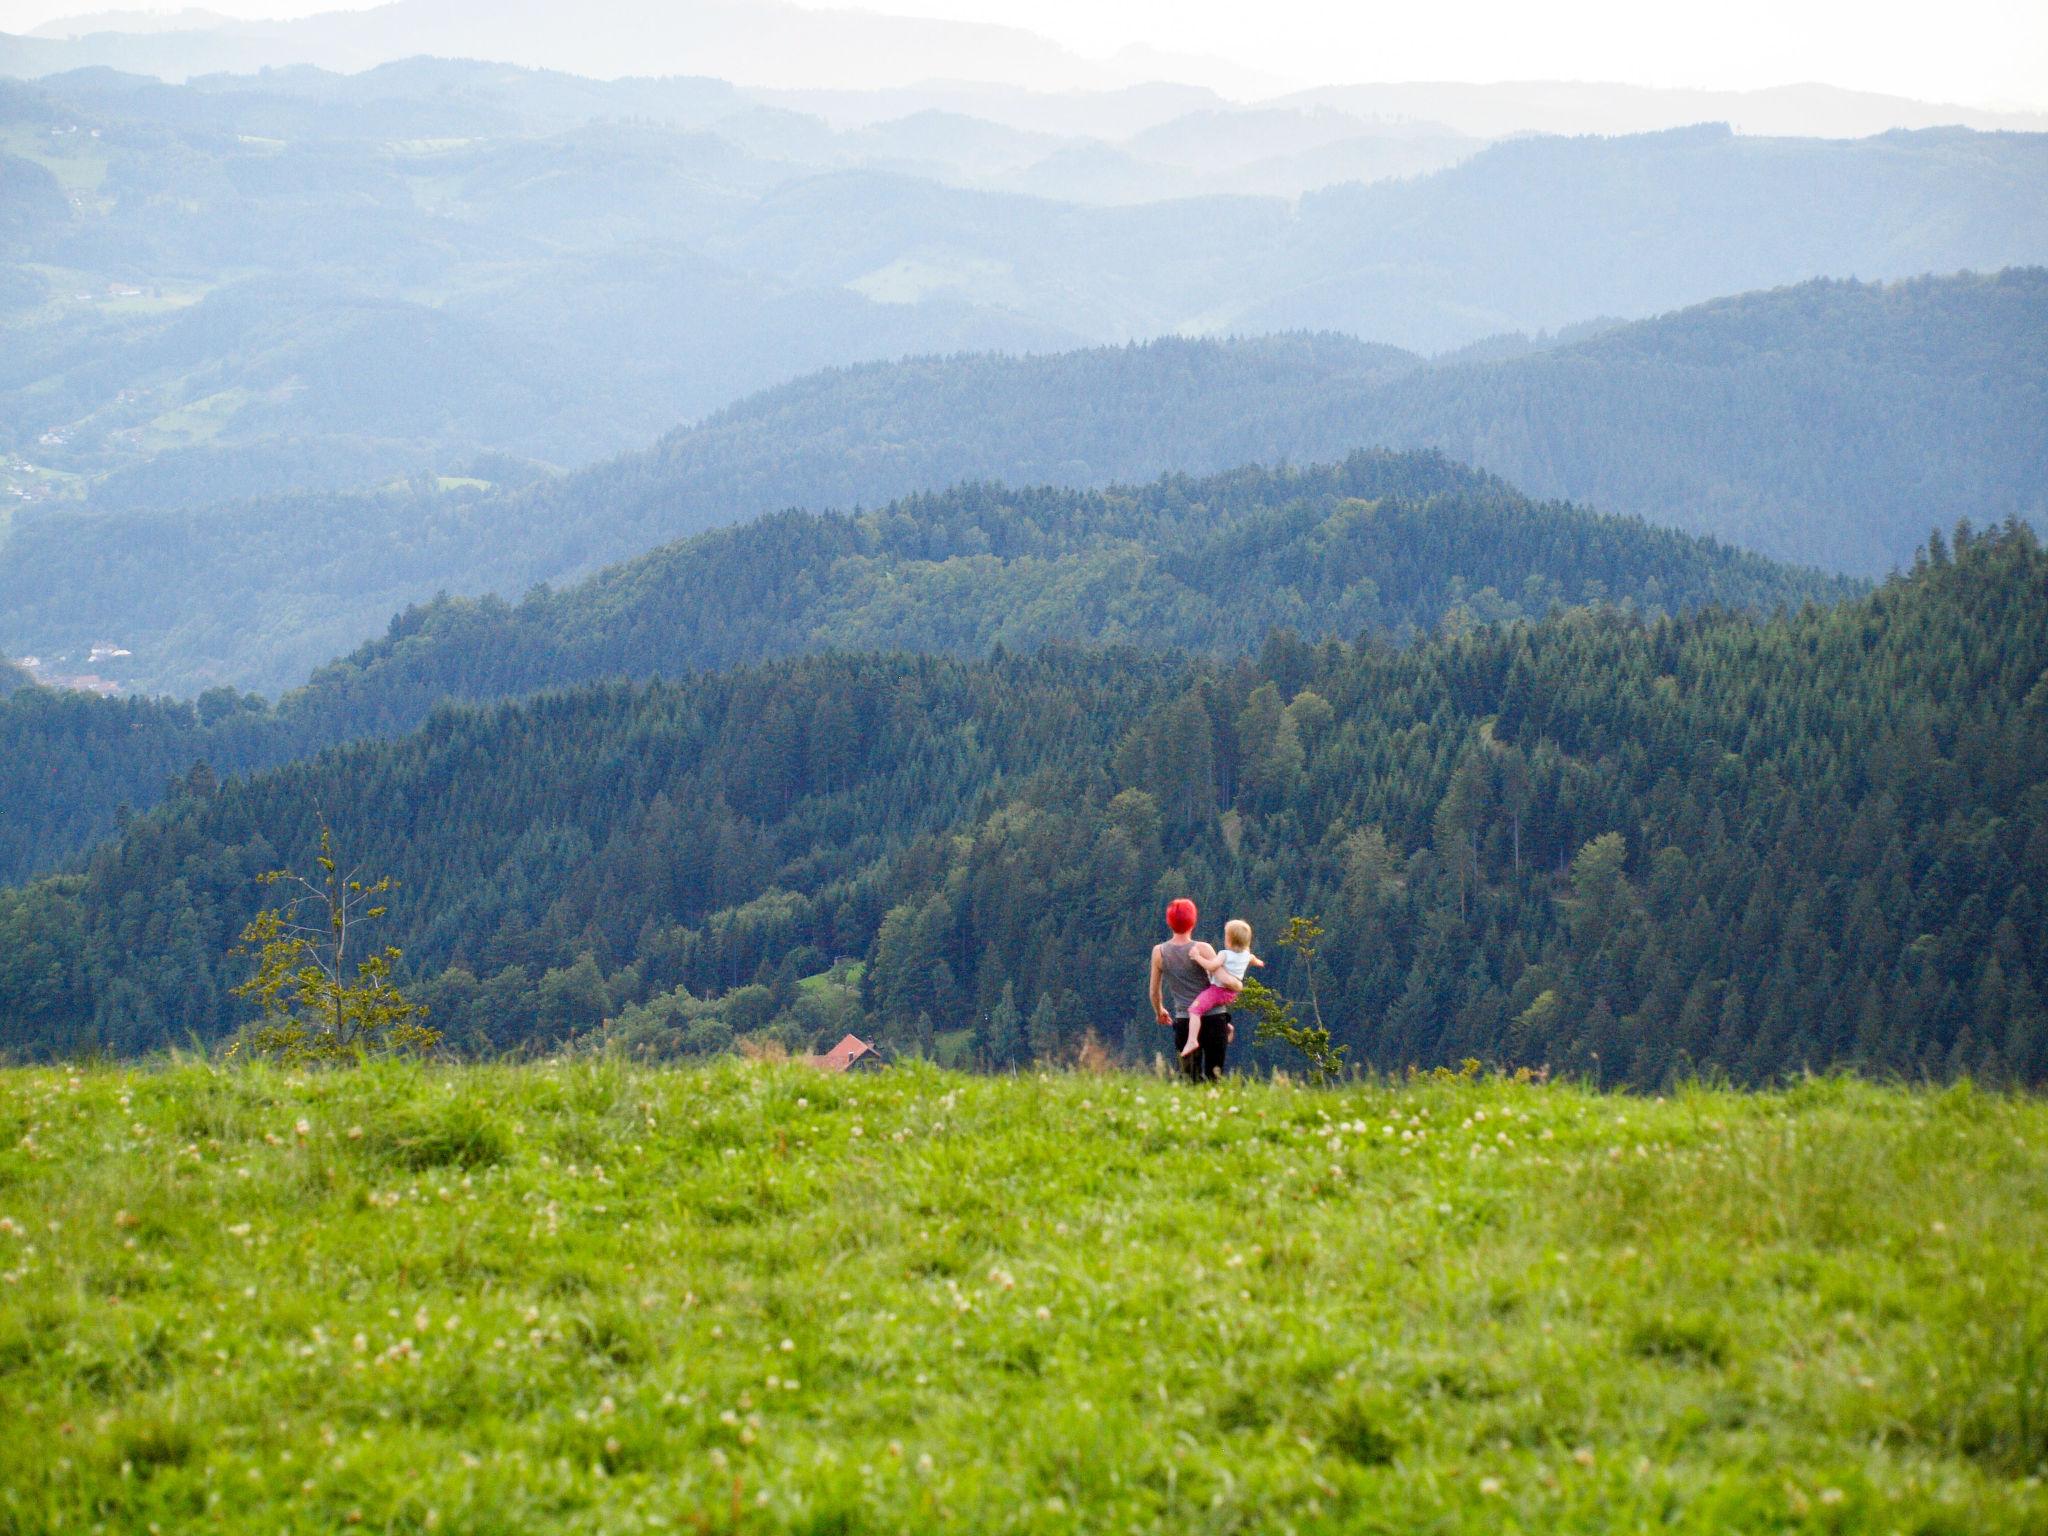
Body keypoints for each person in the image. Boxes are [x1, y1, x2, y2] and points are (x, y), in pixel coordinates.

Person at [1148, 897, 1241, 1082]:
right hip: (1215, 1020)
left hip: (1184, 1021)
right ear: (1193, 921)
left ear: (1169, 922)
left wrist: (1159, 1011)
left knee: (1190, 1080)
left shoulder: (1159, 952)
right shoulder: (1202, 948)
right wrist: (1237, 985)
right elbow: (1222, 980)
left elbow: (1154, 991)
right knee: (1214, 1077)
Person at [1181, 918, 1262, 1060]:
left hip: (1217, 991)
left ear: (1229, 940)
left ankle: (1192, 1040)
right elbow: (1252, 958)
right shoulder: (1245, 955)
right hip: (1232, 994)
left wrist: (1197, 957)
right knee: (1212, 1012)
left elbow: (1212, 966)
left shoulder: (1224, 954)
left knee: (1195, 1010)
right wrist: (1258, 962)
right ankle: (1227, 1028)